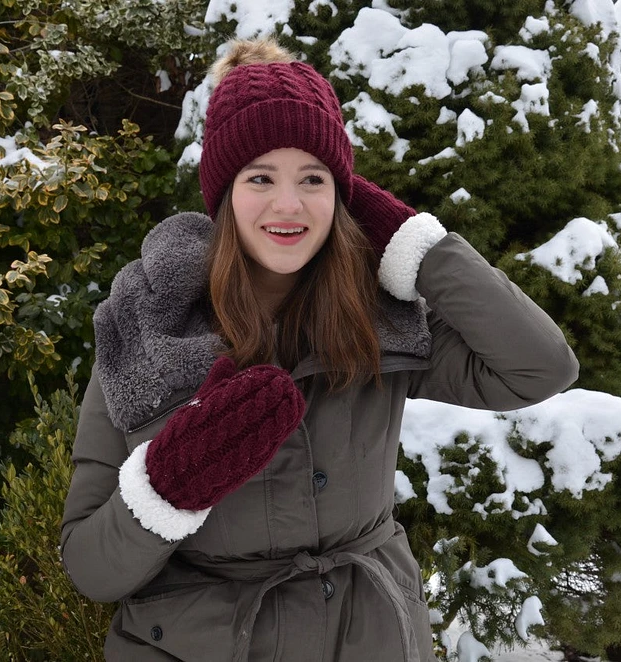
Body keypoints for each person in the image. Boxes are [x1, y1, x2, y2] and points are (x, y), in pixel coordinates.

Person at [60, 37, 579, 662]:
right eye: (260, 178)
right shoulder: (146, 326)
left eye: (314, 178)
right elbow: (91, 569)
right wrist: (166, 488)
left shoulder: (376, 318)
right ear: (224, 195)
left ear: (344, 193)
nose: (289, 204)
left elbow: (541, 366)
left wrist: (412, 242)